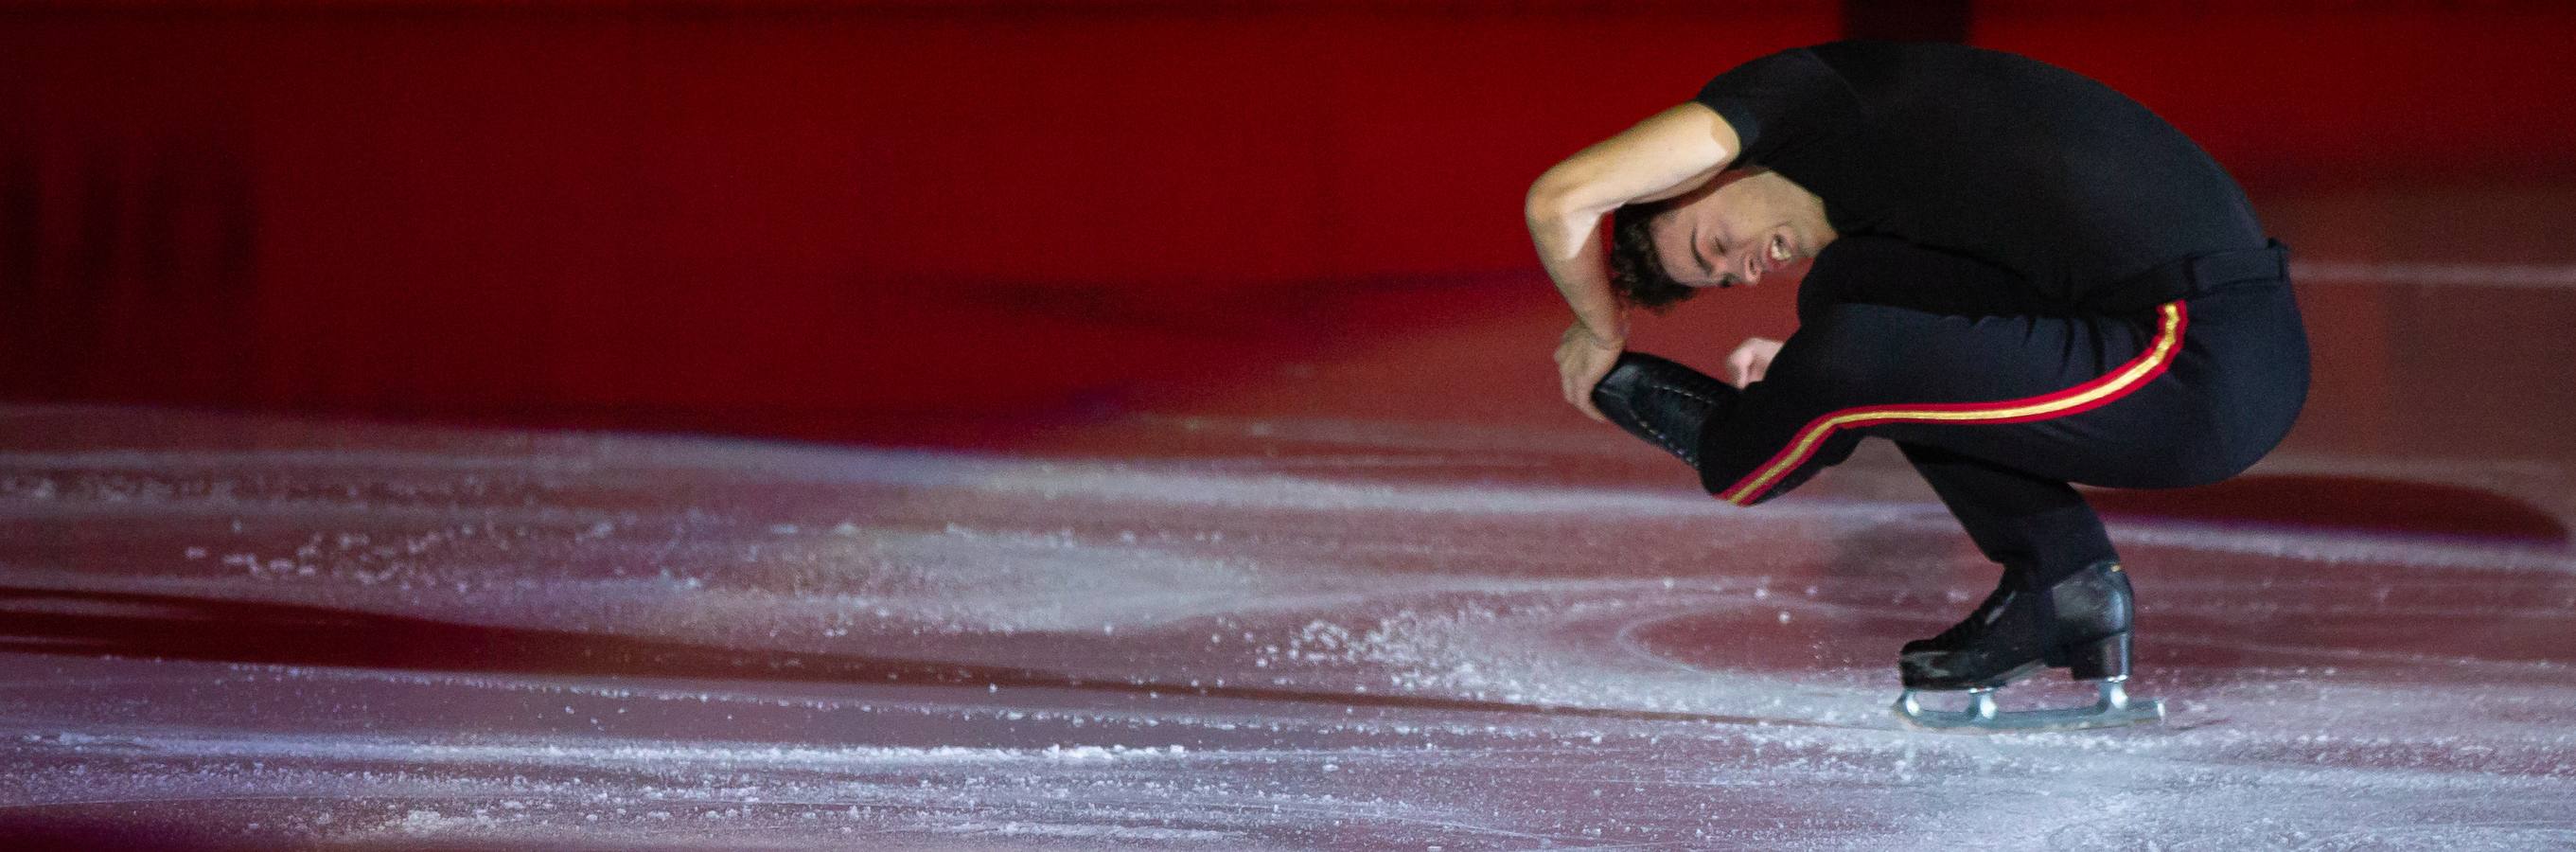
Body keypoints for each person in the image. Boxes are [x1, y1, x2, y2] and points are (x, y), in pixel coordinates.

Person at [1523, 41, 2308, 730]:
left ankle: (1733, 451)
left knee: (1850, 350)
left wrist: (1601, 330)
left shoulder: (1797, 96)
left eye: (1716, 243)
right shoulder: (1875, 182)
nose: (1744, 269)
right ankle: (2060, 583)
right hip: (2152, 327)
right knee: (1849, 298)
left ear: (1706, 172)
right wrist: (1825, 363)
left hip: (2201, 363)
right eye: (1723, 279)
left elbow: (1560, 198)